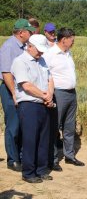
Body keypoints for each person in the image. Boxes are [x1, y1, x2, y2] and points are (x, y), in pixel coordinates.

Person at [11, 34, 54, 183]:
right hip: (29, 105)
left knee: (43, 139)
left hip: (43, 104)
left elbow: (50, 79)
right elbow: (27, 86)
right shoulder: (20, 61)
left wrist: (49, 95)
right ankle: (28, 173)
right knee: (30, 140)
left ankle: (41, 170)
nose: (41, 53)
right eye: (39, 50)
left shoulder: (42, 60)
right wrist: (45, 96)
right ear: (30, 46)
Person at [43, 27, 84, 170]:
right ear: (64, 39)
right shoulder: (50, 54)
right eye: (72, 39)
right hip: (58, 93)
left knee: (69, 126)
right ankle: (52, 159)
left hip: (72, 93)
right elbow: (46, 76)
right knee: (54, 127)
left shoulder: (68, 53)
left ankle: (69, 156)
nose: (73, 42)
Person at [0, 18, 35, 172]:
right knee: (13, 126)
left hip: (22, 91)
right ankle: (12, 159)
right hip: (10, 90)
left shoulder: (24, 46)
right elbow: (6, 73)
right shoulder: (9, 47)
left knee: (22, 125)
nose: (31, 33)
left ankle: (20, 156)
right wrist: (14, 93)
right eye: (29, 31)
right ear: (21, 33)